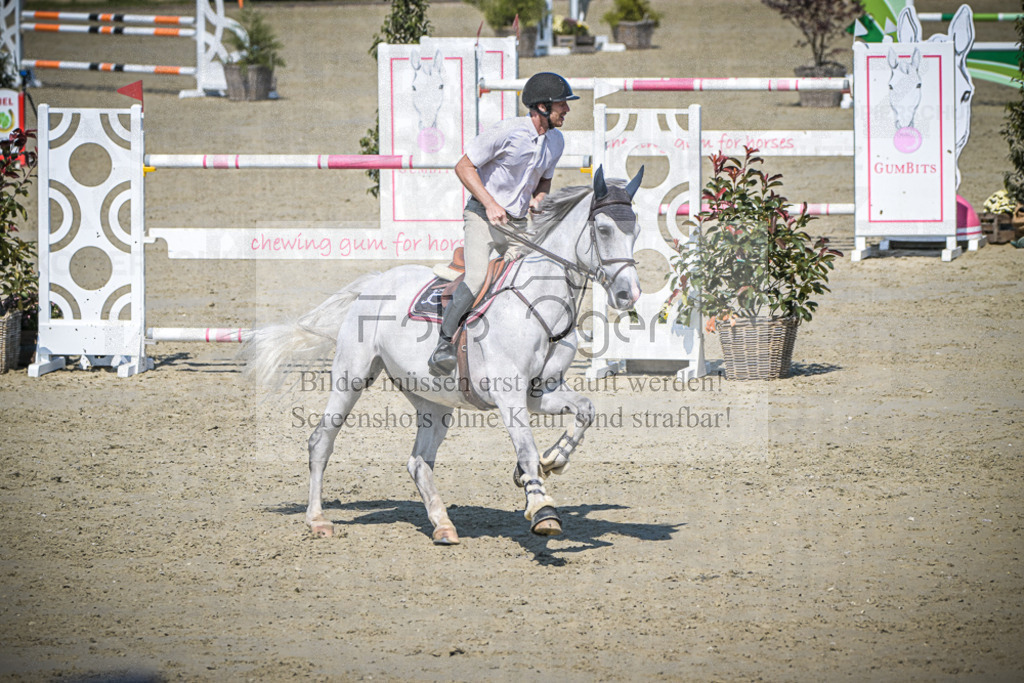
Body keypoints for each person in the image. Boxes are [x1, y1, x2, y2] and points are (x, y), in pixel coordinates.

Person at [428, 72, 579, 377]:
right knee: (477, 279)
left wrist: (539, 199)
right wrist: (489, 203)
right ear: (542, 107)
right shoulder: (506, 132)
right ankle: (443, 344)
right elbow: (463, 166)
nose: (567, 110)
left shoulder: (556, 141)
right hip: (482, 219)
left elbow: (544, 180)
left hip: (518, 228)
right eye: (562, 104)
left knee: (538, 277)